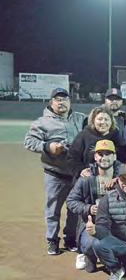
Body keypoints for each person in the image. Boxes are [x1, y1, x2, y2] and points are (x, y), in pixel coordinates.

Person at [24, 87, 86, 255]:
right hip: (55, 174)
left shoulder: (81, 118)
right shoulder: (41, 122)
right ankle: (52, 240)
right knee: (53, 210)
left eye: (64, 99)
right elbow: (29, 142)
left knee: (74, 210)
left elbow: (98, 125)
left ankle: (70, 238)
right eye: (58, 99)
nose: (61, 102)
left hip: (76, 174)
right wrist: (48, 146)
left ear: (70, 101)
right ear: (51, 102)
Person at [66, 139, 121, 273]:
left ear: (114, 156)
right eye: (100, 154)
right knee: (90, 244)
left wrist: (120, 181)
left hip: (117, 224)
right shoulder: (86, 178)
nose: (104, 158)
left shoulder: (124, 177)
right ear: (95, 157)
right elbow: (71, 201)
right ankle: (89, 255)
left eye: (108, 154)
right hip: (92, 224)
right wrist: (89, 208)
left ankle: (113, 257)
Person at [68, 107, 126, 178]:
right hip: (88, 177)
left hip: (112, 177)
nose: (103, 122)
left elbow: (125, 160)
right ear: (93, 120)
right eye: (100, 119)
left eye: (106, 119)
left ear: (111, 121)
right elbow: (72, 157)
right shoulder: (84, 135)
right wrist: (81, 170)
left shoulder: (116, 136)